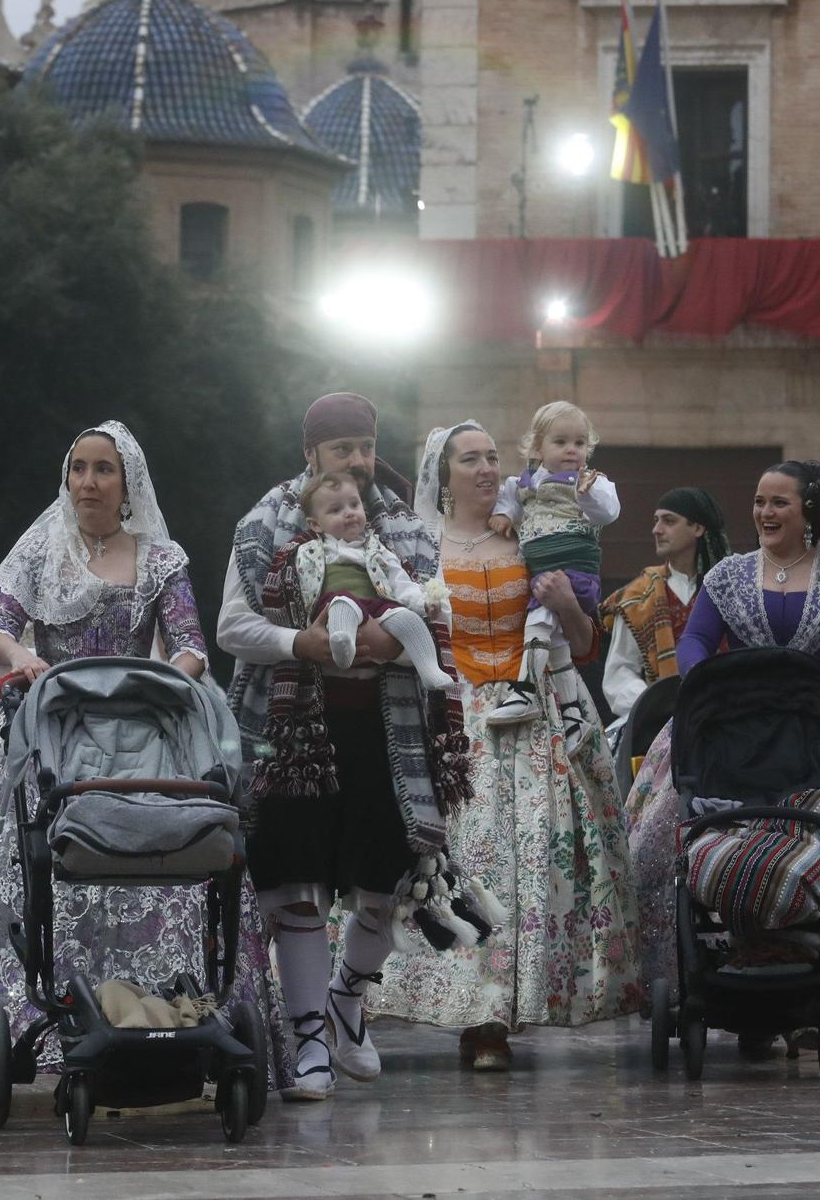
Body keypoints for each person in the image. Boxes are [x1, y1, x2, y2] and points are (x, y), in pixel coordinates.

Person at [0, 422, 283, 1090]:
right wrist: (26, 657)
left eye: (102, 469)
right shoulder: (39, 550)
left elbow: (192, 645)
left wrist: (167, 679)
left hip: (134, 727)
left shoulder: (161, 558)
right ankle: (43, 1008)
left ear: (127, 482)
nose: (87, 481)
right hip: (50, 720)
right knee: (23, 861)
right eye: (78, 467)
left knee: (170, 843)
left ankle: (160, 1010)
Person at [218, 392, 485, 1101]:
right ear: (312, 454)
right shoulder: (263, 523)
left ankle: (346, 1000)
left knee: (388, 879)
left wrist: (387, 642)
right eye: (344, 450)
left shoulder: (407, 527)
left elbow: (437, 611)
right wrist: (302, 643)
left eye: (367, 446)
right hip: (291, 731)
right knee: (292, 877)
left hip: (386, 730)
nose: (361, 462)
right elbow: (231, 627)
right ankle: (307, 1038)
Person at [368, 422, 637, 1071]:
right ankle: (444, 1002)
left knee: (524, 871)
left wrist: (567, 601)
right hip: (450, 718)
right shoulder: (417, 548)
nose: (487, 467)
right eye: (471, 458)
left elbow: (582, 641)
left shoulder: (532, 534)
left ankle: (494, 1016)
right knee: (460, 864)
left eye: (493, 455)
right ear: (444, 473)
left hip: (531, 712)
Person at [624, 459, 820, 1055]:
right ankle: (686, 971)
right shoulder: (729, 576)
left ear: (809, 512)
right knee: (658, 831)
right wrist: (713, 680)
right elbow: (697, 640)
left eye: (779, 502)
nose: (764, 513)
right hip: (736, 726)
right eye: (758, 502)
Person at [486, 401, 619, 730]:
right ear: (537, 447)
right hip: (541, 573)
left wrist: (585, 495)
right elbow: (509, 499)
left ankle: (525, 691)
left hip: (575, 573)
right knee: (555, 640)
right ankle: (572, 715)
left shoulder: (590, 482)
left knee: (540, 618)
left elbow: (608, 511)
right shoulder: (526, 483)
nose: (572, 450)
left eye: (580, 442)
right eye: (560, 442)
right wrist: (504, 515)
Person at [295, 470, 453, 688]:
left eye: (354, 505)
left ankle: (429, 670)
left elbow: (401, 584)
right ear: (315, 524)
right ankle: (343, 644)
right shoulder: (308, 552)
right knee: (343, 602)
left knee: (407, 618)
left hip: (376, 607)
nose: (349, 513)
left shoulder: (377, 548)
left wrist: (423, 603)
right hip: (332, 606)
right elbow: (296, 590)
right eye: (336, 510)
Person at [599, 487, 731, 738]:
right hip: (659, 728)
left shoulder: (732, 588)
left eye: (669, 521)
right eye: (656, 521)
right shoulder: (637, 596)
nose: (656, 530)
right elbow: (619, 672)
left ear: (698, 528)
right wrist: (660, 703)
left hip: (728, 717)